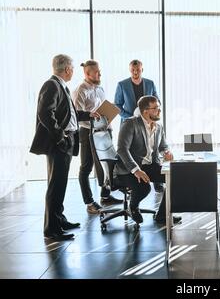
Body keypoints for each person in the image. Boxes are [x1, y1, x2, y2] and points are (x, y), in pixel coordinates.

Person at [30, 54, 100, 241]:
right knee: (55, 186)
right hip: (59, 143)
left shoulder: (61, 86)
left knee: (60, 184)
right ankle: (51, 229)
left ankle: (59, 220)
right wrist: (60, 136)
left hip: (66, 141)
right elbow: (45, 113)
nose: (73, 72)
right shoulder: (52, 85)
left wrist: (87, 115)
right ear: (68, 69)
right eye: (73, 69)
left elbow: (69, 113)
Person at [113, 95, 181, 224]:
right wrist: (136, 170)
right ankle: (132, 207)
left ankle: (162, 215)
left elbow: (163, 146)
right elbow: (122, 149)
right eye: (156, 108)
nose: (159, 111)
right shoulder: (130, 123)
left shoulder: (159, 126)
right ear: (145, 111)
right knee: (144, 188)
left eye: (159, 108)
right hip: (128, 169)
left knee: (174, 178)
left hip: (149, 165)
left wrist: (166, 152)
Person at [73, 60, 123, 214]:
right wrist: (92, 116)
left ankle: (105, 196)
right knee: (86, 167)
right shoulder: (80, 90)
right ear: (87, 74)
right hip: (87, 132)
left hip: (104, 130)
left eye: (99, 71)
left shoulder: (100, 88)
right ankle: (89, 202)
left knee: (108, 163)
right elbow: (76, 116)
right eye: (96, 72)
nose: (100, 74)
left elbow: (101, 109)